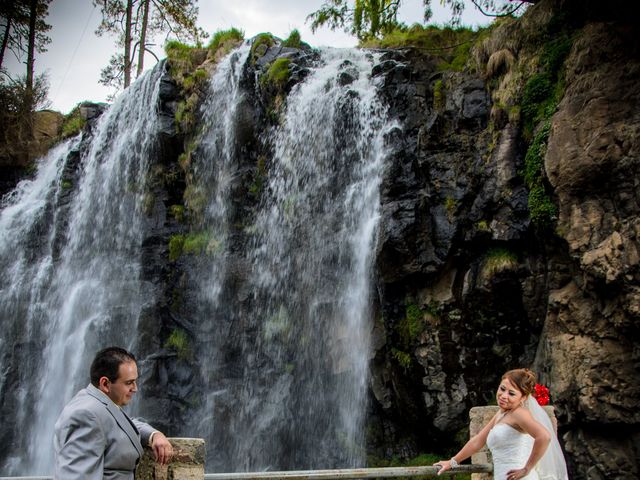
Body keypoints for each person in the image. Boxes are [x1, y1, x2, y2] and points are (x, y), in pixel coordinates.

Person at [54, 346, 174, 479]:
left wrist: (154, 435)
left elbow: (121, 423)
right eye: (129, 383)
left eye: (135, 381)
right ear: (105, 384)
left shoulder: (94, 404)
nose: (135, 389)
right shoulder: (87, 415)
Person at [434, 368, 568, 480]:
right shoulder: (501, 413)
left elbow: (544, 436)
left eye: (511, 393)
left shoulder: (519, 413)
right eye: (502, 389)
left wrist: (527, 468)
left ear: (523, 398)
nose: (504, 396)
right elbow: (478, 441)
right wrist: (452, 462)